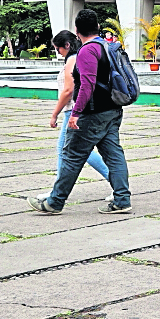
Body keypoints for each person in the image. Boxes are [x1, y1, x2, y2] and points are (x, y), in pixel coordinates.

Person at [28, 9, 132, 214]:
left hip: (92, 114)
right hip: (113, 110)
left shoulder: (87, 51)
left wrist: (75, 112)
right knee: (114, 155)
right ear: (98, 27)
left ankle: (54, 202)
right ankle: (122, 200)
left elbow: (86, 85)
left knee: (71, 155)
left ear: (77, 30)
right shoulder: (108, 46)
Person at [35, 30, 114, 203]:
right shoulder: (80, 56)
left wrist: (54, 114)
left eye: (58, 49)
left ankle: (58, 192)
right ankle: (117, 183)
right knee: (76, 151)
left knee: (72, 150)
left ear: (67, 45)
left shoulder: (72, 60)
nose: (58, 53)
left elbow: (68, 90)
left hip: (73, 110)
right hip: (79, 110)